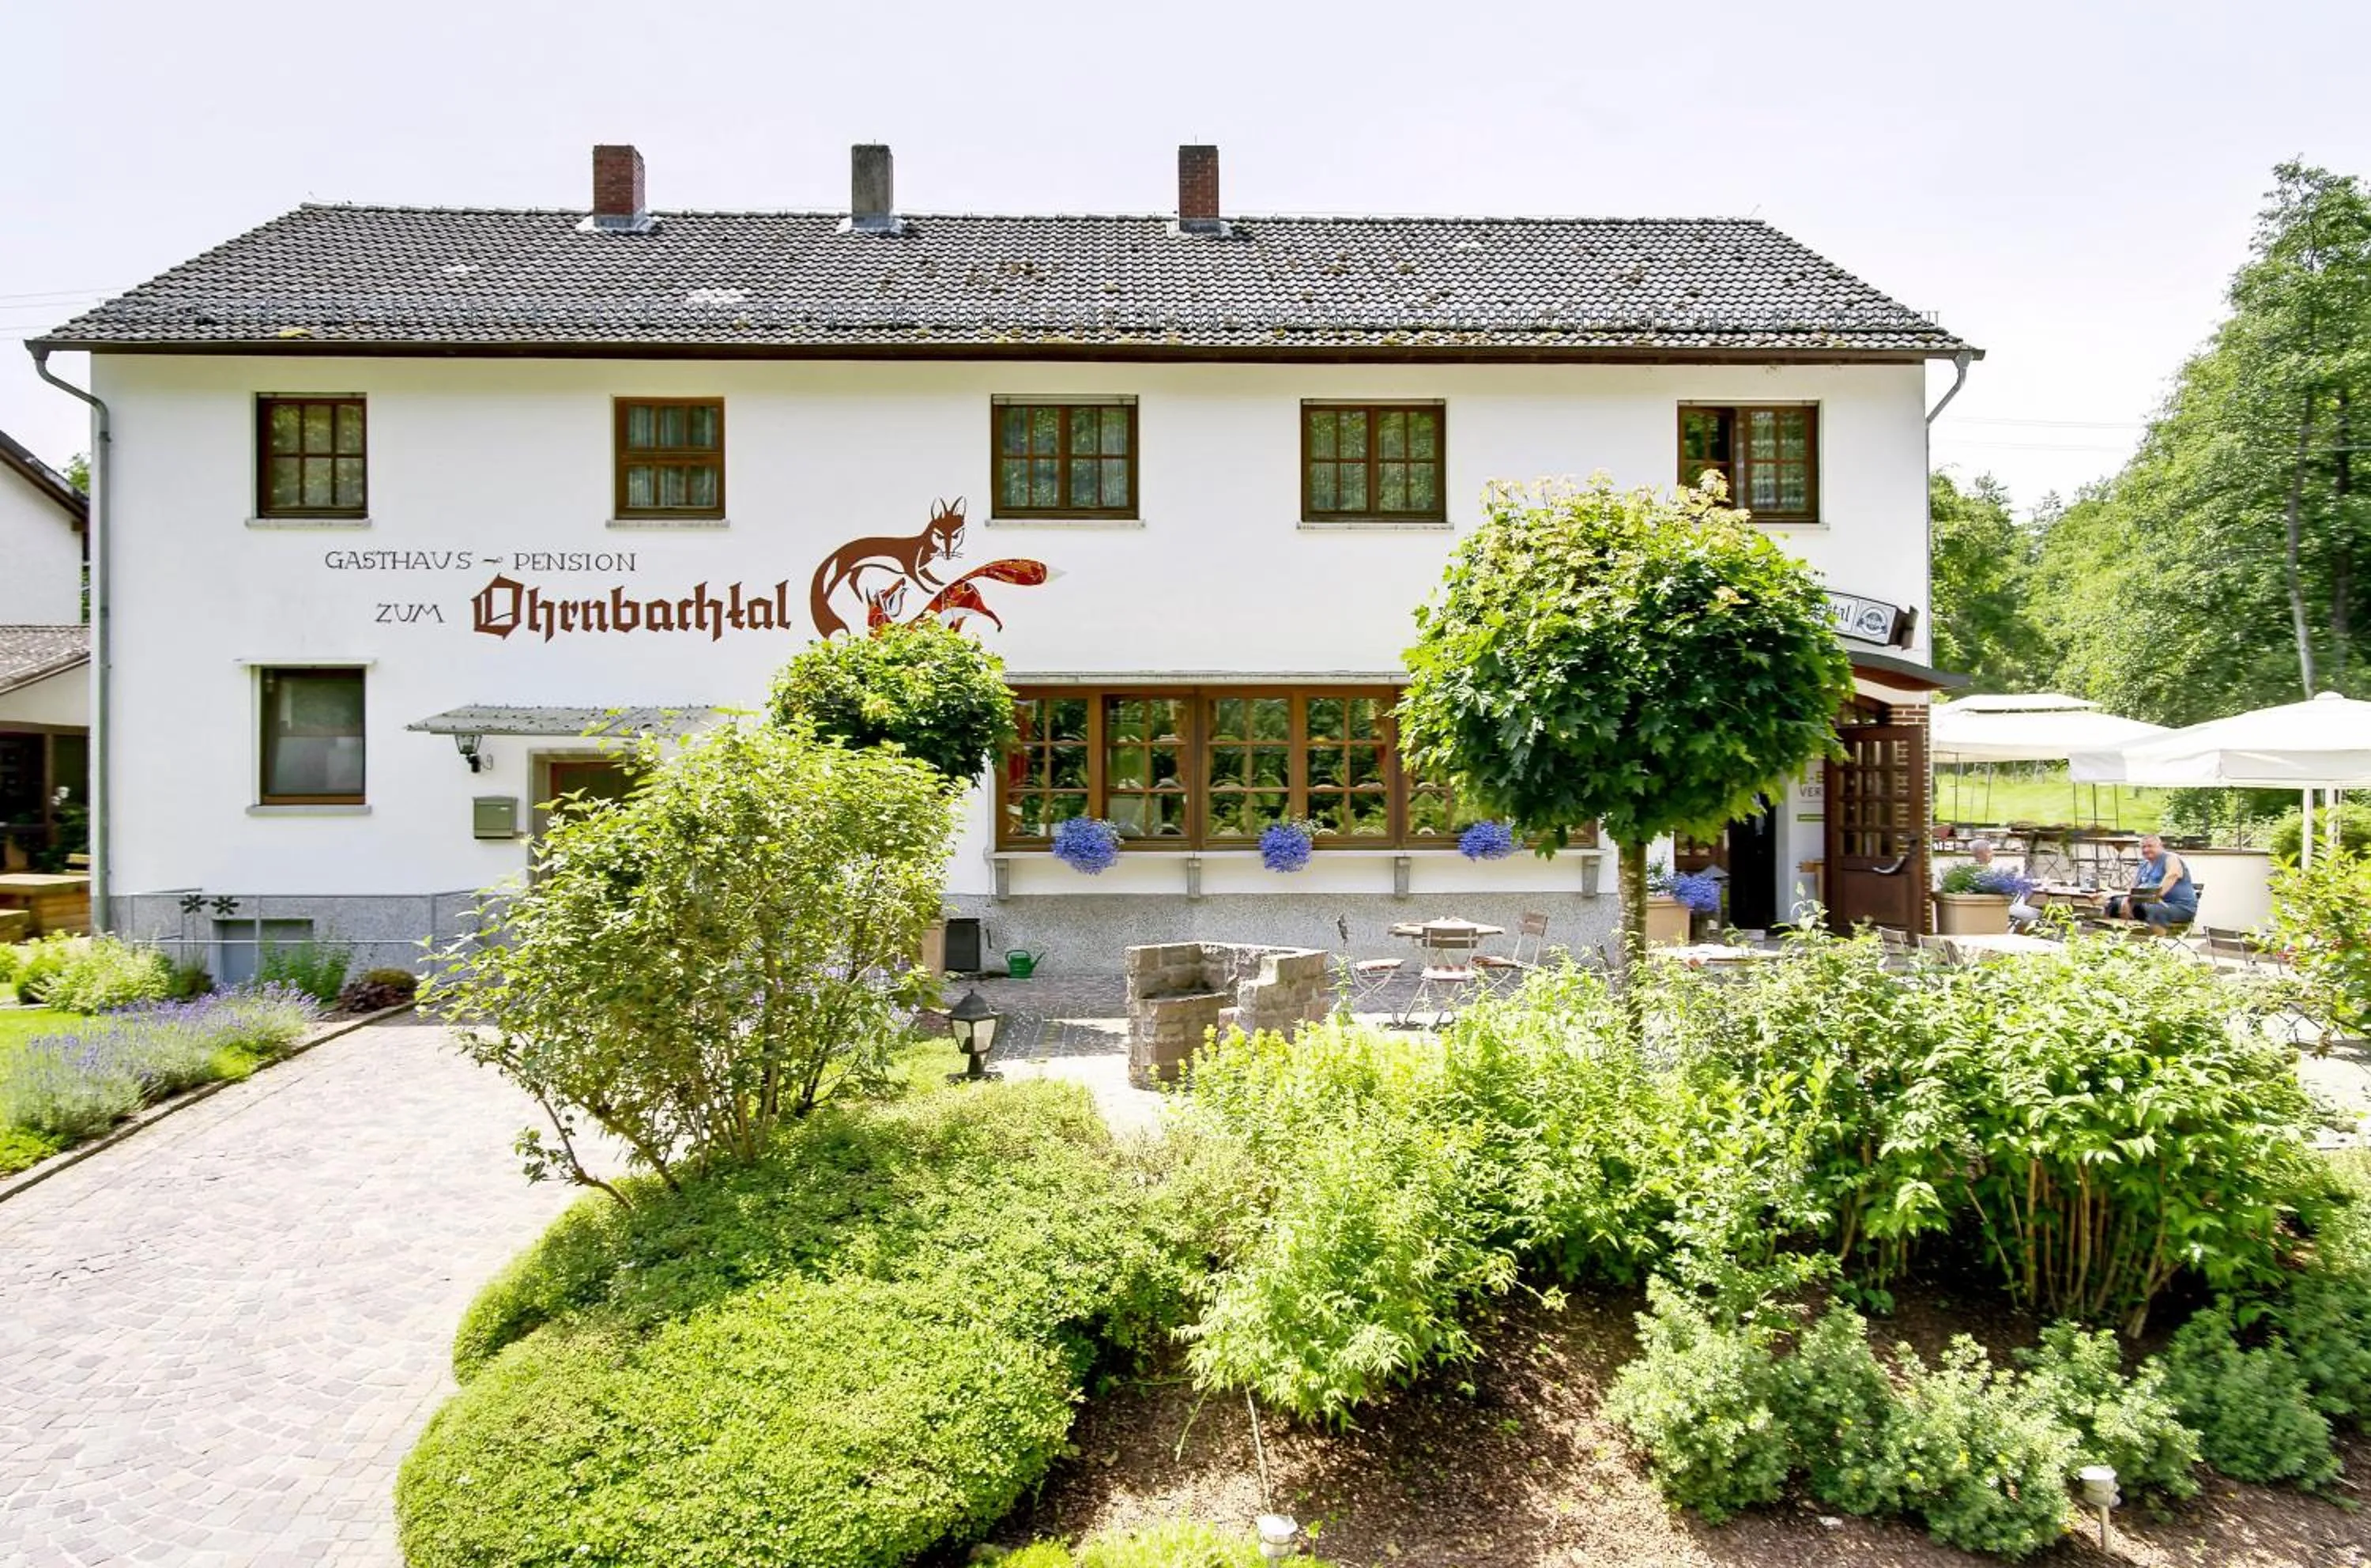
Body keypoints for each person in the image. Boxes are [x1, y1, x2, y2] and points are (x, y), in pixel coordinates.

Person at [1940, 839, 2041, 925]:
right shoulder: (1986, 874)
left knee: (2032, 913)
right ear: (1983, 853)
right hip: (1997, 908)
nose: (1993, 854)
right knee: (2037, 914)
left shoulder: (1972, 871)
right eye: (1990, 851)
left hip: (1992, 908)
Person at [2105, 834, 2198, 926]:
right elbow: (2133, 887)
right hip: (2149, 904)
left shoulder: (2171, 858)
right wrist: (2126, 900)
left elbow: (2173, 874)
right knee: (2112, 905)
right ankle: (2121, 932)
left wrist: (2154, 896)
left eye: (2150, 846)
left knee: (2147, 910)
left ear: (2160, 846)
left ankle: (2153, 936)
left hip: (2177, 907)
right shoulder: (2144, 865)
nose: (2146, 850)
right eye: (2143, 847)